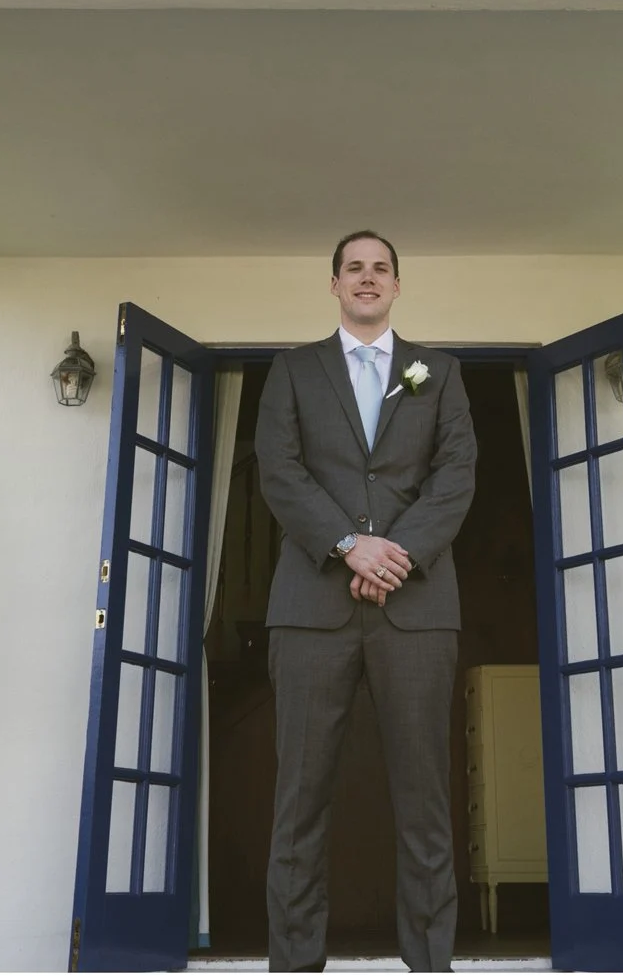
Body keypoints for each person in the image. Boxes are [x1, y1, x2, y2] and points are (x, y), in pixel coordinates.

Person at [256, 230, 478, 972]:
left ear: (396, 284)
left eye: (381, 267)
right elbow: (279, 471)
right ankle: (293, 962)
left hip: (416, 610)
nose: (368, 277)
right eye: (354, 267)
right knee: (299, 800)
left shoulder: (437, 373)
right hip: (310, 608)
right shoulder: (292, 370)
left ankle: (430, 961)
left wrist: (396, 553)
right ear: (334, 284)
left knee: (425, 800)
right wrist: (351, 544)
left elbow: (455, 475)